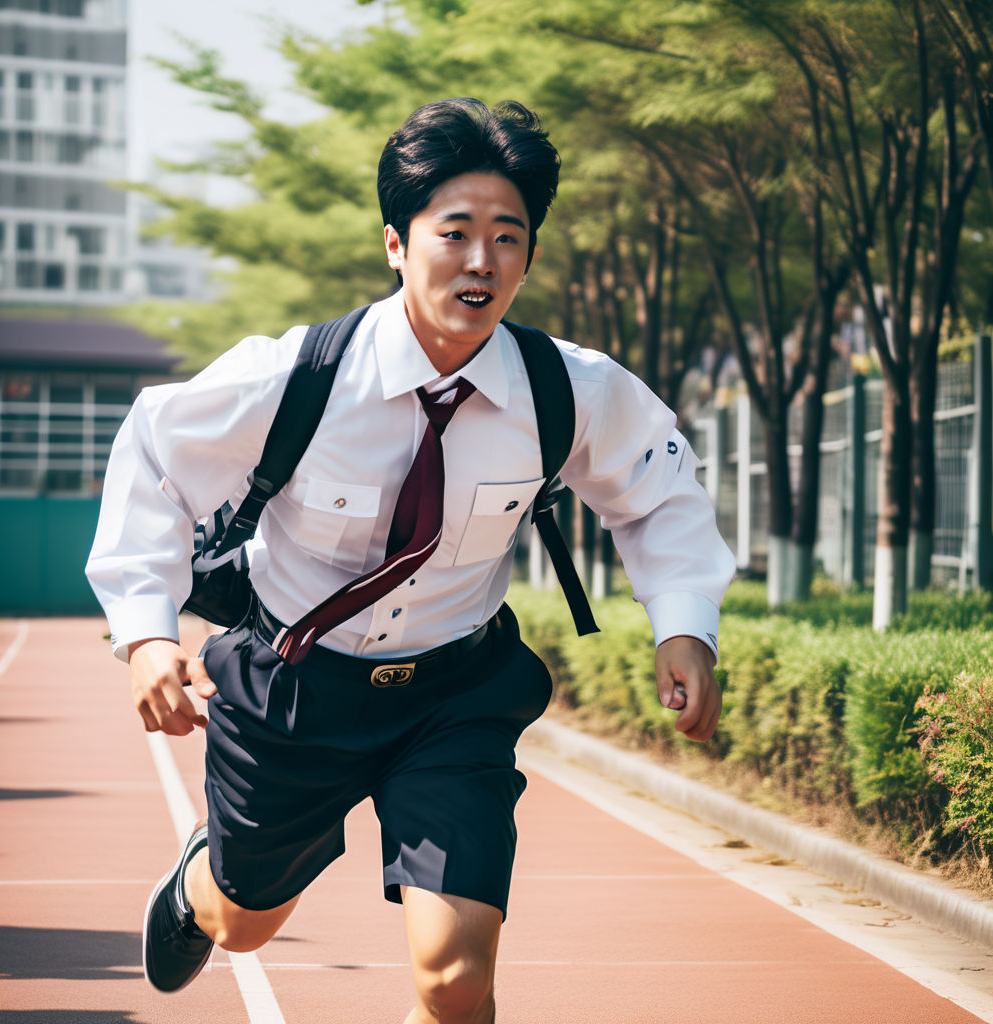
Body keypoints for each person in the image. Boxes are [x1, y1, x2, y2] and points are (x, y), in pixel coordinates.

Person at [86, 97, 735, 1024]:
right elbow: (153, 452)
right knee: (245, 922)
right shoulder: (297, 377)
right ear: (397, 242)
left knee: (455, 978)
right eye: (456, 232)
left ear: (530, 257)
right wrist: (146, 636)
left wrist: (684, 625)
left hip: (454, 698)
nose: (481, 261)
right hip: (293, 689)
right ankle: (202, 886)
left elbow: (658, 495)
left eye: (507, 237)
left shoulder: (568, 389)